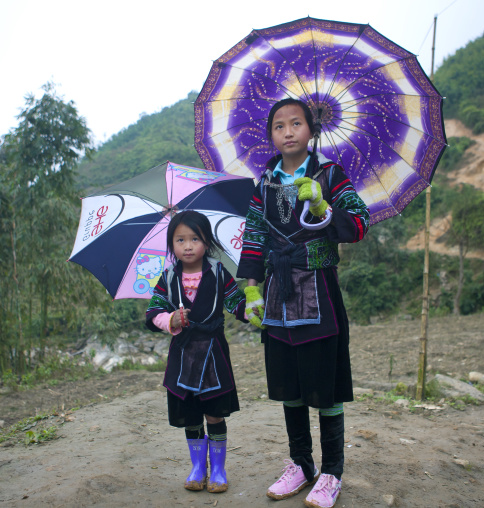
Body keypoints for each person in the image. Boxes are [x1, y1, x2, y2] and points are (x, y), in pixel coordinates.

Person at [237, 98, 370, 508]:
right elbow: (255, 236)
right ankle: (300, 463)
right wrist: (253, 288)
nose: (288, 131)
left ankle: (331, 472)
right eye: (279, 125)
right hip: (278, 296)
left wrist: (323, 205)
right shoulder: (265, 184)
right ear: (271, 136)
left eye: (297, 123)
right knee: (289, 385)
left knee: (325, 388)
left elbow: (360, 223)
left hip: (320, 294)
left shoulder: (329, 174)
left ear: (311, 131)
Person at [146, 210, 247, 494]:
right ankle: (197, 468)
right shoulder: (167, 277)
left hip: (213, 355)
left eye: (195, 239)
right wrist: (170, 321)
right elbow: (153, 311)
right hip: (183, 356)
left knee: (214, 414)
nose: (187, 246)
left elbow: (236, 302)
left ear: (207, 242)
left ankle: (217, 470)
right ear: (172, 244)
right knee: (191, 415)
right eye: (180, 240)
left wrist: (251, 309)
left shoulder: (218, 272)